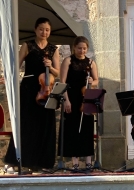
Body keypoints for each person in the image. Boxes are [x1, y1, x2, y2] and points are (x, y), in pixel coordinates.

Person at [4, 17, 60, 172]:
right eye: (41, 29)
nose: (44, 32)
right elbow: (17, 65)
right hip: (29, 89)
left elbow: (58, 72)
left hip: (46, 90)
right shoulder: (27, 45)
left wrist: (51, 67)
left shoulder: (53, 49)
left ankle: (42, 163)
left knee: (45, 126)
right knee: (26, 125)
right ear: (36, 29)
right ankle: (17, 160)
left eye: (47, 30)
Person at [59, 36, 98, 171]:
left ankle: (88, 162)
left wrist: (92, 82)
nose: (82, 51)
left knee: (87, 130)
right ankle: (74, 162)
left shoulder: (91, 63)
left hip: (85, 99)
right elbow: (63, 82)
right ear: (74, 47)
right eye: (79, 48)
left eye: (84, 48)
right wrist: (66, 100)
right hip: (71, 98)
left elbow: (97, 80)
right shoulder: (68, 61)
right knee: (72, 130)